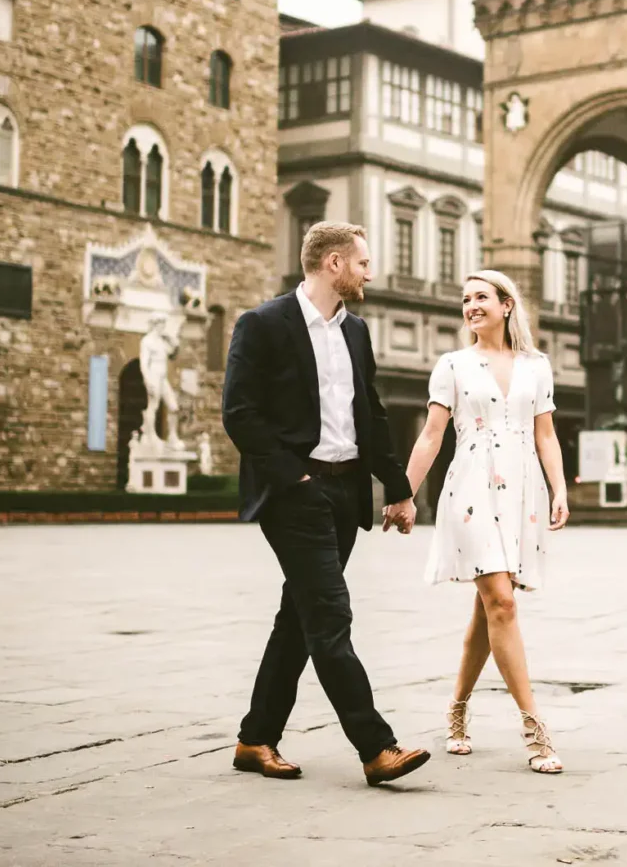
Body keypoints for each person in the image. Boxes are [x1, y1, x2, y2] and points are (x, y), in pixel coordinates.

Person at [221, 222, 429, 788]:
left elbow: (373, 417)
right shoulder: (263, 325)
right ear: (333, 263)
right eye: (362, 262)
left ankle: (254, 739)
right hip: (296, 494)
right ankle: (376, 747)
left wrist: (400, 488)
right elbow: (239, 413)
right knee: (331, 616)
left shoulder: (356, 331)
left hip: (346, 494)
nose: (369, 272)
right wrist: (296, 477)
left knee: (300, 619)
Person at [404, 269, 570, 774]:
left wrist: (560, 487)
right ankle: (535, 729)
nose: (470, 305)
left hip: (523, 490)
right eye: (465, 299)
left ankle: (456, 710)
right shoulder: (452, 364)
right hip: (472, 487)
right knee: (500, 600)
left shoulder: (537, 366)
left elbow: (545, 435)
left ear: (506, 306)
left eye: (481, 297)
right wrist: (404, 493)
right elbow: (432, 435)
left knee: (491, 606)